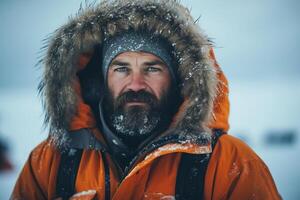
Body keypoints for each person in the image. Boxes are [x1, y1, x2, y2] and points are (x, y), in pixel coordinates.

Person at [11, 0, 281, 199]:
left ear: (178, 80)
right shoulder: (49, 163)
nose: (136, 84)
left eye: (152, 68)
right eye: (121, 68)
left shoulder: (231, 165)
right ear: (101, 79)